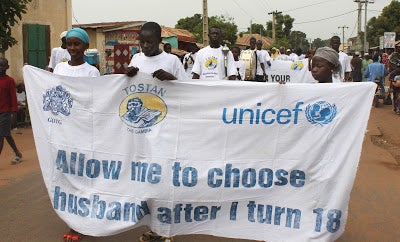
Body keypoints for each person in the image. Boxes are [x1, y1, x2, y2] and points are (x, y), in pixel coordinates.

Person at [52, 27, 100, 242]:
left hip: (83, 132)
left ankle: (82, 223)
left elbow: (96, 102)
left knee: (82, 177)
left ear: (86, 46)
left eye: (77, 44)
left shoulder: (92, 72)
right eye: (69, 44)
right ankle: (72, 221)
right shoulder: (59, 69)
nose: (72, 48)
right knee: (66, 178)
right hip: (63, 132)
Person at [0, 57, 23, 164]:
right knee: (7, 135)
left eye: (3, 66)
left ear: (7, 67)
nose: (0, 68)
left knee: (1, 136)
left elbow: (13, 98)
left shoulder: (9, 81)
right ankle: (17, 153)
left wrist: (14, 113)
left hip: (5, 112)